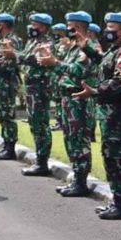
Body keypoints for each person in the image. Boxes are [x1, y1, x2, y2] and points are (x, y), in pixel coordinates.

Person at [74, 13, 121, 220]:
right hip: (109, 112)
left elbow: (119, 80)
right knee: (109, 154)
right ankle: (116, 200)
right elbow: (104, 63)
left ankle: (120, 204)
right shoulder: (115, 50)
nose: (107, 31)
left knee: (116, 157)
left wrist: (95, 91)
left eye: (111, 27)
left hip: (119, 112)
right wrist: (86, 48)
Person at [37, 12, 94, 197]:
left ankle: (81, 182)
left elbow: (78, 71)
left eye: (70, 26)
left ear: (78, 28)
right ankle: (77, 179)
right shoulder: (73, 48)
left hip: (79, 100)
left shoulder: (88, 48)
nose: (67, 29)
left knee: (80, 142)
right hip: (68, 100)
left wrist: (55, 63)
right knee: (71, 141)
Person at [2, 13, 55, 176]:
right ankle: (40, 160)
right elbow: (24, 58)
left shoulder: (47, 43)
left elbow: (34, 60)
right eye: (32, 24)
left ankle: (42, 162)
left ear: (44, 27)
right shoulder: (32, 42)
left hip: (41, 88)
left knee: (41, 125)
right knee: (34, 123)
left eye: (36, 25)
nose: (32, 27)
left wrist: (14, 54)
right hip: (32, 88)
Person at [0, 13, 22, 160]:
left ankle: (10, 147)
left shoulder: (12, 40)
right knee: (1, 114)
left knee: (7, 115)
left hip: (7, 81)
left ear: (2, 25)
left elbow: (12, 61)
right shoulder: (1, 41)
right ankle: (5, 144)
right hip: (0, 81)